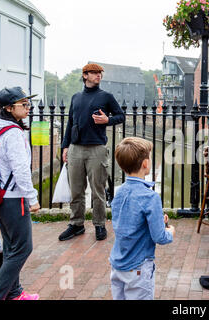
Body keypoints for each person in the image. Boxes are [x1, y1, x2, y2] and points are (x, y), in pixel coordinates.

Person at [59, 63, 125, 242]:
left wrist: (107, 120)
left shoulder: (106, 96)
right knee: (76, 190)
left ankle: (99, 224)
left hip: (97, 148)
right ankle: (76, 224)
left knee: (98, 190)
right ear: (85, 75)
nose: (98, 76)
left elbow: (121, 116)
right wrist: (65, 147)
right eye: (94, 73)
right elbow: (70, 123)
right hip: (75, 148)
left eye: (100, 73)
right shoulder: (76, 97)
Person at [109, 137, 175, 300]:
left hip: (117, 265)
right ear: (145, 164)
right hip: (138, 267)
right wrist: (170, 232)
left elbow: (128, 222)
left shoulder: (119, 192)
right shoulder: (150, 197)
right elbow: (159, 237)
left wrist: (158, 219)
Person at [0, 87, 41, 300]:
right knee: (22, 249)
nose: (28, 107)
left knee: (11, 247)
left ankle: (15, 292)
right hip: (14, 197)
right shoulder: (12, 133)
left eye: (28, 103)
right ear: (9, 108)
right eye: (24, 104)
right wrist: (32, 198)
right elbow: (20, 169)